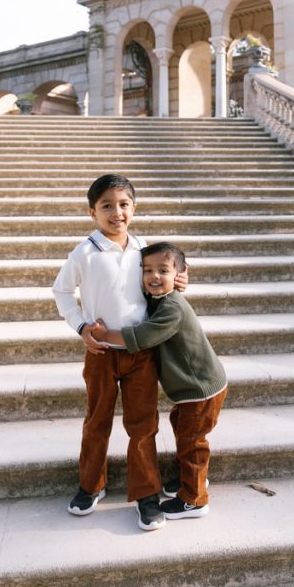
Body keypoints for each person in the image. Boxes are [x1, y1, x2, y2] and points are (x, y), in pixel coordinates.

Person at [52, 174, 185, 532]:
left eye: (123, 204)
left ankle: (146, 493)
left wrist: (180, 280)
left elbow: (163, 277)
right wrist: (81, 327)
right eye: (107, 206)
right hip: (101, 354)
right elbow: (61, 291)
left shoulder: (143, 249)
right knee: (97, 421)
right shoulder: (85, 252)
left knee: (143, 425)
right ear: (92, 212)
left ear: (134, 208)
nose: (117, 213)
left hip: (139, 353)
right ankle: (90, 485)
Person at [90, 241, 227, 519]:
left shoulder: (171, 309)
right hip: (191, 388)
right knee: (184, 431)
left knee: (192, 442)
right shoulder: (159, 298)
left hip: (200, 388)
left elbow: (138, 338)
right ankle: (191, 478)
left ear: (178, 273)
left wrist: (104, 336)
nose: (153, 277)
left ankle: (195, 498)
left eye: (163, 270)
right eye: (147, 270)